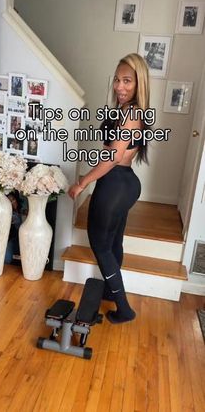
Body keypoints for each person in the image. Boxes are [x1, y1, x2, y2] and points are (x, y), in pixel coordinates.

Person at [68, 53, 150, 324]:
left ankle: (124, 309)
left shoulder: (131, 113)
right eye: (117, 79)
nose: (120, 86)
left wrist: (83, 181)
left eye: (127, 80)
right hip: (124, 182)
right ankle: (113, 292)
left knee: (100, 243)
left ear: (140, 84)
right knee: (113, 242)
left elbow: (113, 156)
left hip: (115, 182)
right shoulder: (129, 111)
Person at [5, 192, 22, 264]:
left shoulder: (21, 210)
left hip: (23, 238)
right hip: (13, 238)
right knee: (7, 259)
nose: (12, 202)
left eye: (13, 199)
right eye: (9, 201)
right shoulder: (9, 214)